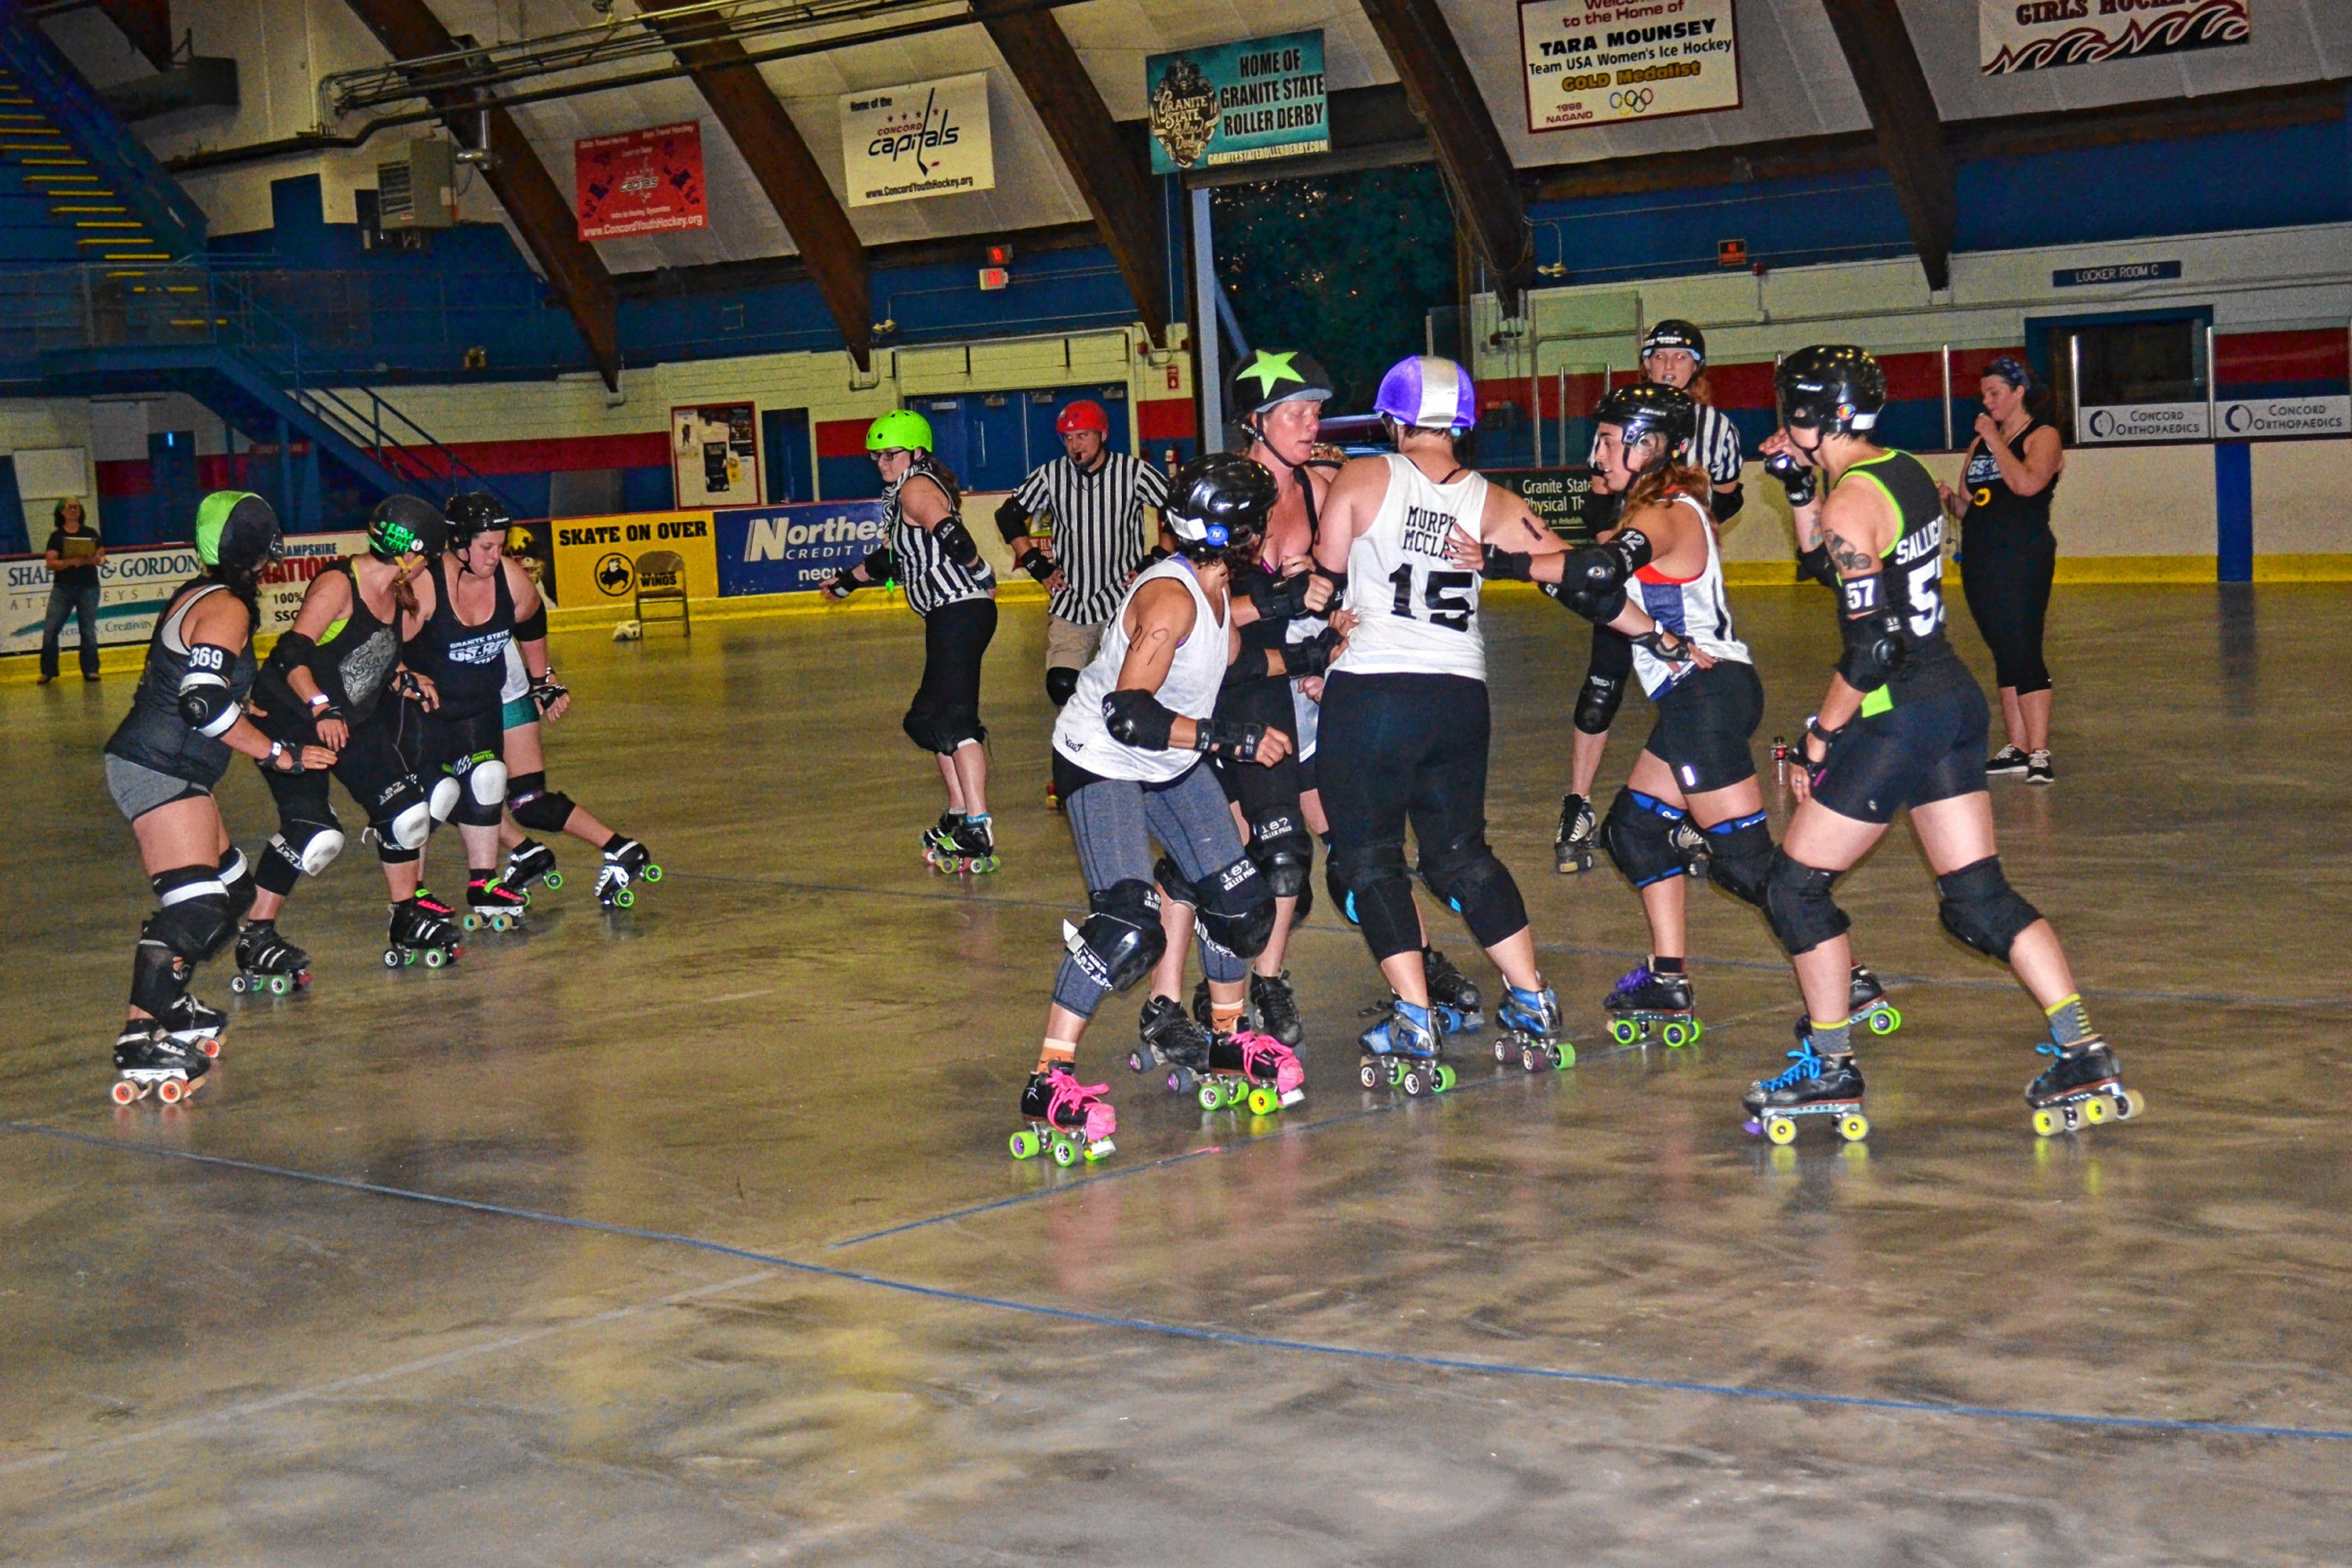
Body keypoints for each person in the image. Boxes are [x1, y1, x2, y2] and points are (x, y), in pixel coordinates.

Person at [1751, 346, 2137, 1143]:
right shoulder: (1900, 473)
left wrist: (1824, 734)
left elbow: (1868, 651)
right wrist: (1798, 485)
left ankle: (1829, 1066)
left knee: (1793, 888)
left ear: (1814, 415)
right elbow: (1830, 566)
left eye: (1792, 411)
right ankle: (2082, 1048)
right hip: (1951, 701)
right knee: (1975, 899)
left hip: (1898, 713)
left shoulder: (1851, 502)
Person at [1308, 356, 1592, 1091]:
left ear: (1394, 421)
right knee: (1460, 854)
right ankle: (1531, 997)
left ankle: (1414, 1013)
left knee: (1368, 858)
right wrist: (1492, 560)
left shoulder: (1365, 478)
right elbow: (1566, 566)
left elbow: (1323, 577)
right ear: (1463, 425)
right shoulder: (1493, 500)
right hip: (1459, 696)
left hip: (1373, 691)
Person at [1022, 453, 1304, 1163]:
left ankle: (1230, 1040)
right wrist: (1223, 738)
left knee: (1239, 902)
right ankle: (1047, 1079)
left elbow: (1228, 663)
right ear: (1241, 532)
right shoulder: (1173, 597)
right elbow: (1127, 714)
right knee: (1126, 925)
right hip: (1105, 757)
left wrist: (1313, 653)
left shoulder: (1211, 590)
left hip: (1169, 760)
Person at [100, 492, 330, 1102]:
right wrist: (277, 754)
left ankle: (170, 1008)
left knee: (233, 893)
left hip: (175, 769)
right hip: (158, 767)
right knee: (197, 910)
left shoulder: (202, 595)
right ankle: (139, 1035)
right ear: (258, 553)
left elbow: (212, 692)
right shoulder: (227, 607)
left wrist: (271, 721)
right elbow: (201, 704)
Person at [238, 494, 456, 987]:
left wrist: (403, 678)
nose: (428, 568)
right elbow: (291, 653)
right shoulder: (340, 584)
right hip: (291, 718)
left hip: (349, 719)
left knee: (407, 816)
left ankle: (405, 917)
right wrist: (320, 706)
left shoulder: (398, 592)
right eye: (427, 558)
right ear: (410, 552)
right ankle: (256, 934)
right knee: (314, 833)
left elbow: (372, 652)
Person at [1555, 321, 1744, 874]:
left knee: (1698, 693)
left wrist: (1685, 523)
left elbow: (1729, 500)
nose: (1667, 366)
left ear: (1697, 368)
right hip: (1623, 573)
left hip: (1678, 580)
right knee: (1602, 685)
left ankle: (1697, 808)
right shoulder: (1620, 423)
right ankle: (1578, 804)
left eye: (1679, 359)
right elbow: (1594, 511)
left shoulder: (1717, 429)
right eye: (1658, 357)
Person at [825, 411, 1000, 873]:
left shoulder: (915, 487)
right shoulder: (904, 491)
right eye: (877, 456)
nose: (882, 462)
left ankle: (978, 824)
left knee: (956, 720)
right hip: (950, 615)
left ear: (917, 453)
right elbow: (891, 558)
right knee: (926, 720)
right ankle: (961, 812)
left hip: (959, 610)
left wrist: (982, 573)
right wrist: (847, 582)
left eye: (891, 454)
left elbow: (950, 533)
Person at [993, 398, 1169, 811]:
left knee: (1128, 689)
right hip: (1071, 597)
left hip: (1123, 603)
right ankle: (1071, 770)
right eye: (1069, 438)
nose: (1076, 445)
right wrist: (1035, 562)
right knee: (1062, 686)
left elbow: (1176, 510)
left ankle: (1134, 763)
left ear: (1102, 435)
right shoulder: (1051, 476)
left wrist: (1154, 561)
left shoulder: (1133, 471)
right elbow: (1008, 516)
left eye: (1083, 436)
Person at [407, 492, 557, 934]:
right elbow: (385, 644)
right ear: (457, 543)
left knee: (489, 779)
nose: (497, 555)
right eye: (487, 546)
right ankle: (410, 893)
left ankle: (483, 883)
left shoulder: (509, 579)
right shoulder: (426, 585)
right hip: (425, 714)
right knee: (428, 802)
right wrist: (401, 677)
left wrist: (542, 679)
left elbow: (532, 620)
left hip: (479, 706)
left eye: (501, 545)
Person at [1940, 355, 2064, 785]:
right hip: (1981, 558)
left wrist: (1994, 439)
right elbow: (1968, 504)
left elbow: (2026, 484)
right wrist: (1944, 499)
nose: (1986, 400)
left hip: (2023, 555)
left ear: (2018, 393)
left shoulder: (2042, 436)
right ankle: (2017, 745)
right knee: (2003, 649)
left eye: (1995, 393)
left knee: (2023, 645)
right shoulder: (1980, 444)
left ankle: (2040, 749)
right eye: (1983, 394)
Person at [38, 496, 104, 684]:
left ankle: (91, 670)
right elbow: (51, 562)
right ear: (62, 512)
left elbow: (101, 557)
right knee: (51, 629)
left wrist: (94, 558)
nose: (75, 510)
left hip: (88, 586)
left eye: (77, 507)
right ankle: (48, 670)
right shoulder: (57, 537)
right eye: (71, 507)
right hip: (63, 588)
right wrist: (70, 562)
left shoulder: (90, 533)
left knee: (88, 629)